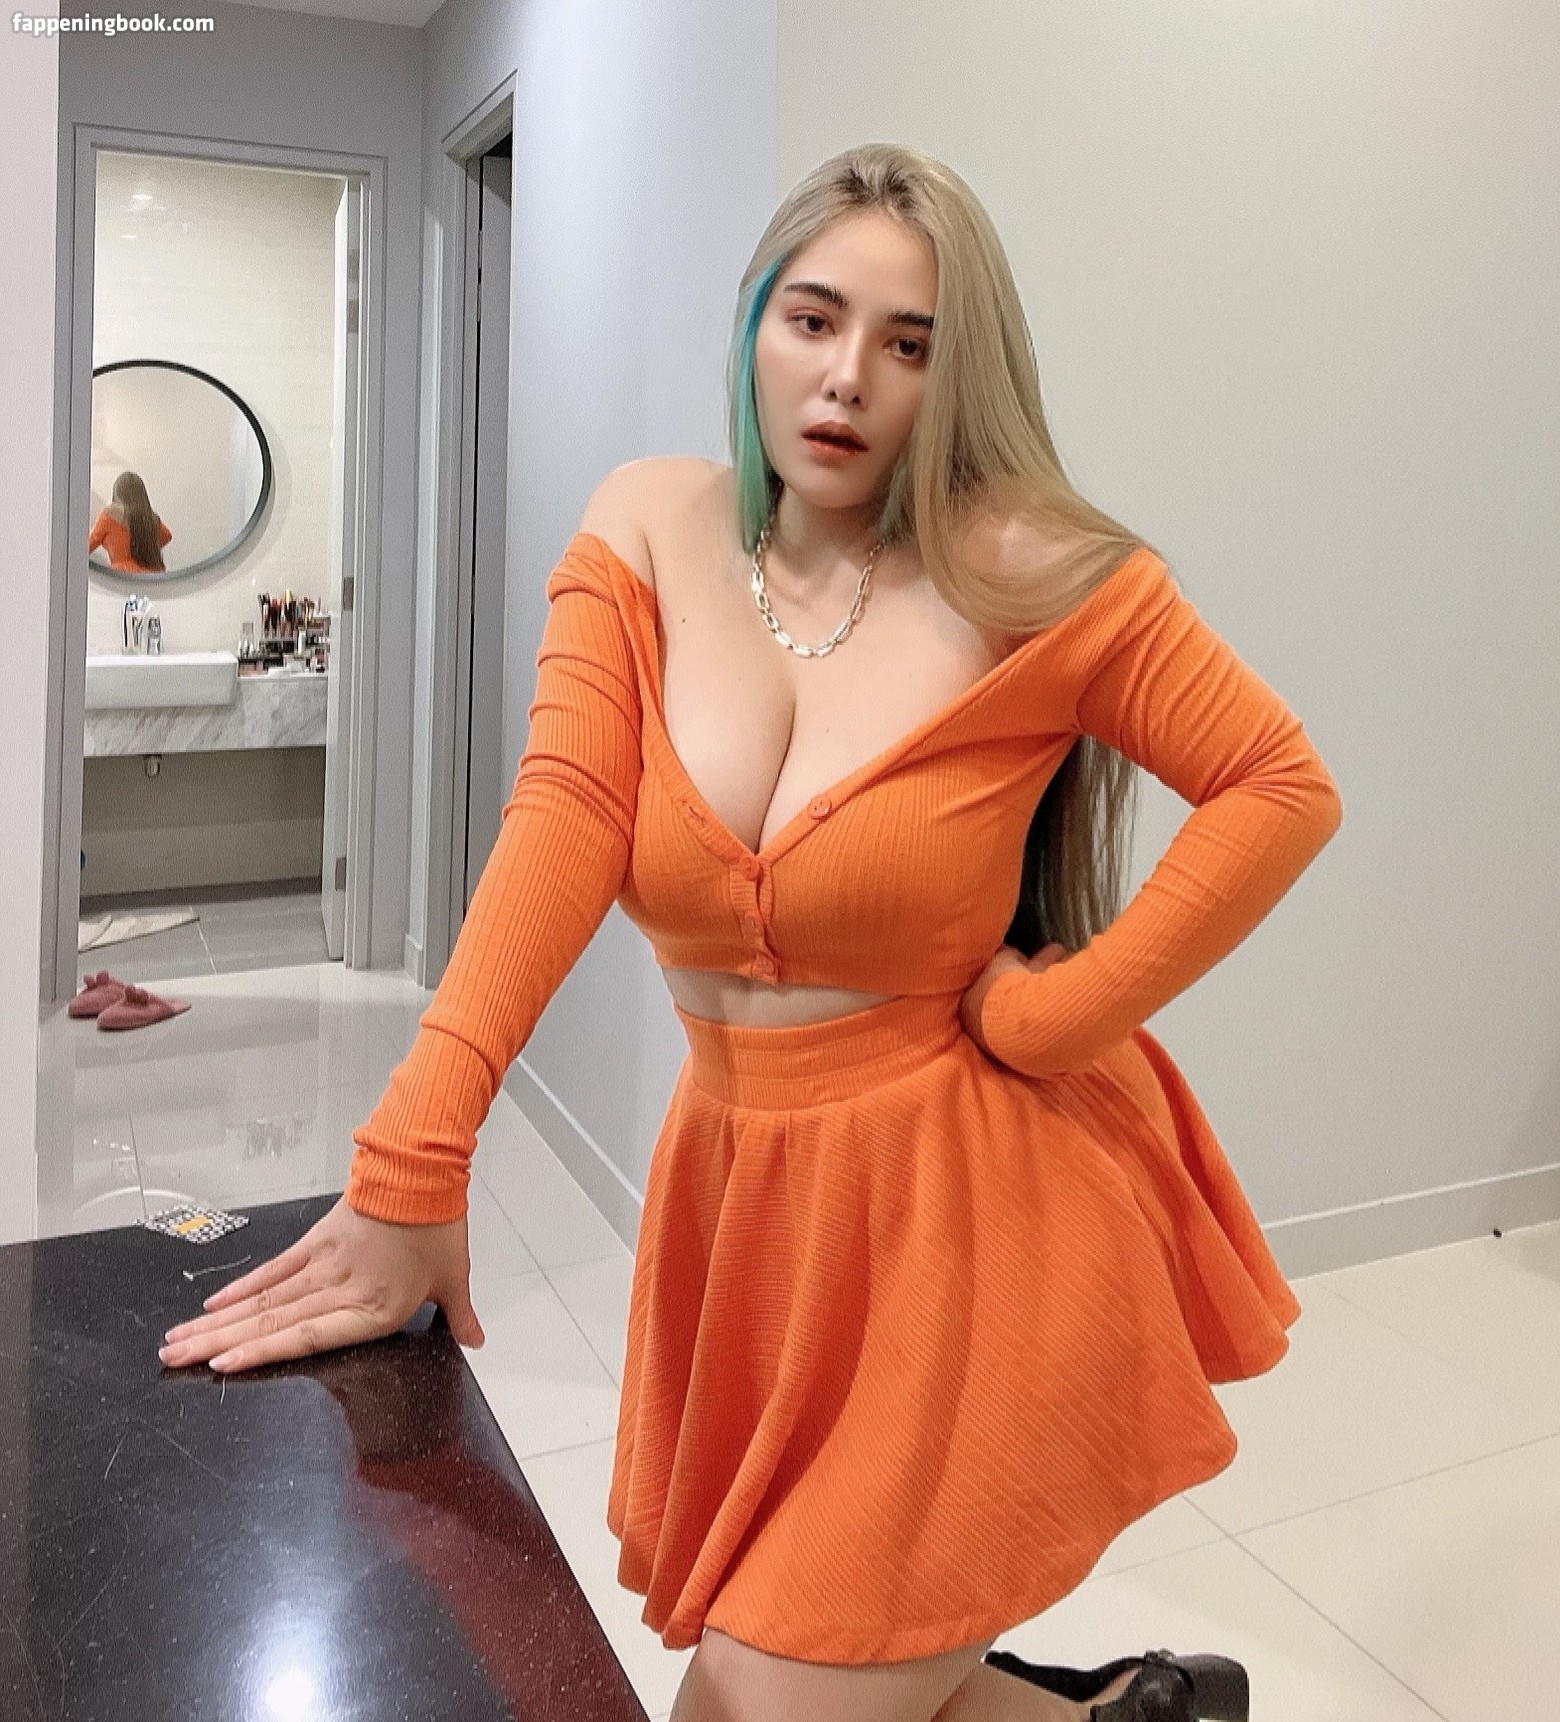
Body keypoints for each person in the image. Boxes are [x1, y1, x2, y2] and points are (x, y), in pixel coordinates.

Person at [158, 143, 1342, 1722]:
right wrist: (414, 1156)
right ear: (753, 323)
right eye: (814, 318)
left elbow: (1280, 785)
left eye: (909, 343)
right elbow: (566, 816)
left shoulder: (1025, 569)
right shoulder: (650, 522)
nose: (848, 377)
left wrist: (1058, 1015)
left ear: (958, 374)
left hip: (968, 1206)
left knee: (762, 1694)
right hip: (755, 1207)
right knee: (789, 1668)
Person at [89, 470, 172, 574]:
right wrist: (145, 547)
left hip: (122, 576)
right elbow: (167, 536)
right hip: (153, 576)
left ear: (117, 494)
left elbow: (89, 545)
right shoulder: (150, 517)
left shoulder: (109, 513)